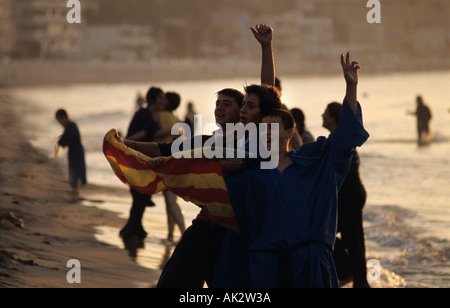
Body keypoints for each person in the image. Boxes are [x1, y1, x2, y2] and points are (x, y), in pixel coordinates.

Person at [216, 52, 369, 287]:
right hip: (265, 266)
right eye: (263, 129)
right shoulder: (249, 172)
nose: (267, 133)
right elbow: (208, 179)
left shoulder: (313, 165)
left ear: (289, 133)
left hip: (309, 264)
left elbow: (345, 137)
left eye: (273, 128)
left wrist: (351, 86)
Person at [324, 102, 370, 288]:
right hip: (350, 196)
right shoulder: (338, 140)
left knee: (344, 238)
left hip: (349, 198)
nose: (322, 116)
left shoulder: (343, 142)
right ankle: (357, 278)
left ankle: (354, 276)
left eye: (325, 113)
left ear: (334, 118)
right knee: (353, 240)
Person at [119, 87, 171, 241]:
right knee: (139, 195)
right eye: (160, 98)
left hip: (141, 159)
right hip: (136, 159)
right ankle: (132, 229)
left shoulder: (148, 114)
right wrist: (176, 130)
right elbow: (146, 134)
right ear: (153, 99)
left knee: (140, 195)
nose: (164, 101)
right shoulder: (144, 113)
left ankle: (135, 227)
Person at [154, 91, 186, 243]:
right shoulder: (175, 117)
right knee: (169, 200)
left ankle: (183, 233)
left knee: (171, 200)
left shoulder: (162, 116)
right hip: (175, 159)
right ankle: (170, 235)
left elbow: (155, 134)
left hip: (166, 160)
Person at [55, 109, 87, 202]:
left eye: (60, 121)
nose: (60, 123)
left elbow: (66, 138)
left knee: (77, 171)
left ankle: (76, 192)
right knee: (72, 170)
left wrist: (60, 142)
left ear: (64, 117)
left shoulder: (72, 126)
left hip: (77, 151)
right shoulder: (69, 126)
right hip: (73, 151)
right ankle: (74, 191)